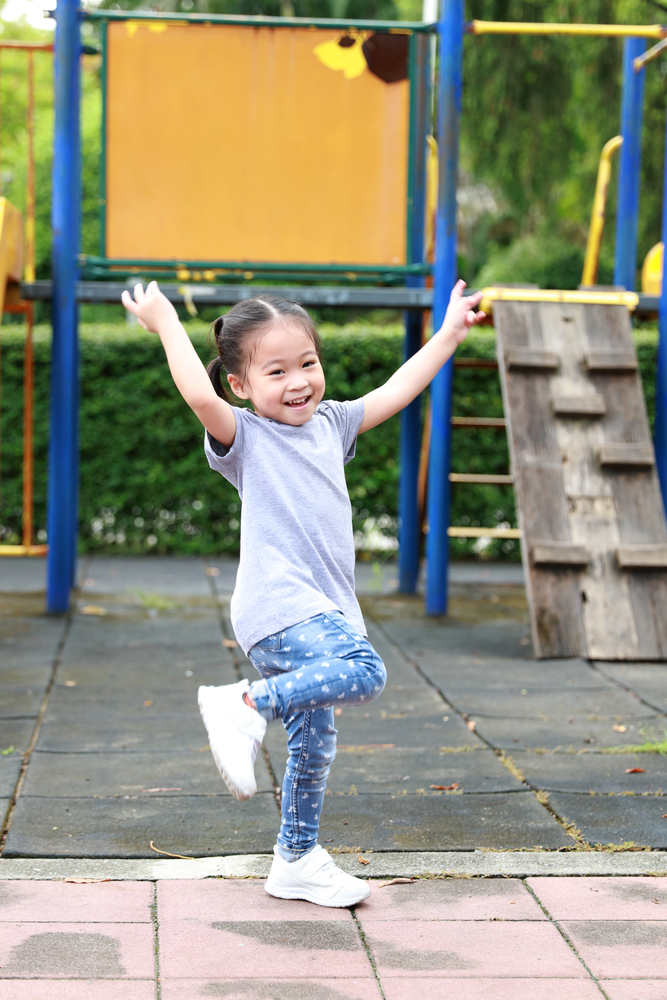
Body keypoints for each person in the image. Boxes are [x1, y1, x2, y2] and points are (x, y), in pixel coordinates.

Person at [122, 279, 484, 907]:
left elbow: (397, 389)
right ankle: (242, 700)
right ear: (242, 385)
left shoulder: (333, 423)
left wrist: (449, 333)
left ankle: (294, 857)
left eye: (308, 363)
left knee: (314, 742)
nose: (299, 381)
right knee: (363, 671)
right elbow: (196, 394)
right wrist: (166, 321)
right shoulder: (244, 438)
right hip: (277, 605)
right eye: (277, 370)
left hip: (322, 607)